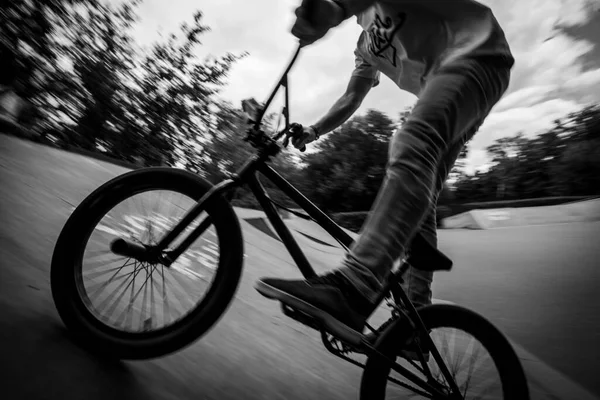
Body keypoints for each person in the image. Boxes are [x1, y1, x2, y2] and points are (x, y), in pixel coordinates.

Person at [256, 0, 515, 335]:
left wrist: (329, 10)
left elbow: (340, 6)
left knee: (411, 142)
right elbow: (352, 97)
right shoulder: (365, 47)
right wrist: (315, 130)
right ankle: (414, 326)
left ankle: (353, 285)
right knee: (419, 195)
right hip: (457, 85)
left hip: (477, 52)